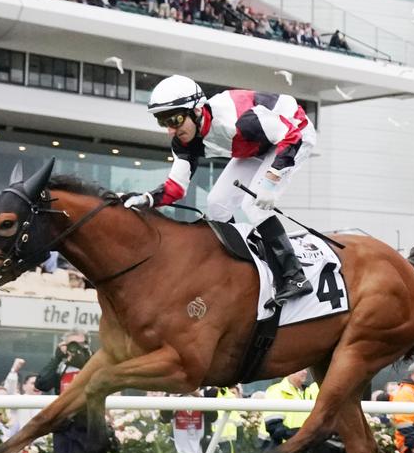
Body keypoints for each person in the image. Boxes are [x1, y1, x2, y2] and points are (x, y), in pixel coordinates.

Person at [124, 75, 317, 305]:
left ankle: (294, 277)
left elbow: (290, 136)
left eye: (174, 120)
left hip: (293, 133)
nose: (170, 131)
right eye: (163, 122)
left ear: (196, 111)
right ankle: (245, 267)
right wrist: (146, 199)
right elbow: (175, 187)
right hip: (257, 145)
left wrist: (271, 180)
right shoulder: (184, 142)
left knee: (254, 205)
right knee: (216, 204)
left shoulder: (240, 120)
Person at [34, 330, 95, 453]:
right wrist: (57, 357)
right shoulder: (61, 366)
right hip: (64, 425)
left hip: (88, 423)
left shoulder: (94, 364)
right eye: (71, 345)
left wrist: (88, 355)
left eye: (81, 344)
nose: (75, 348)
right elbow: (41, 384)